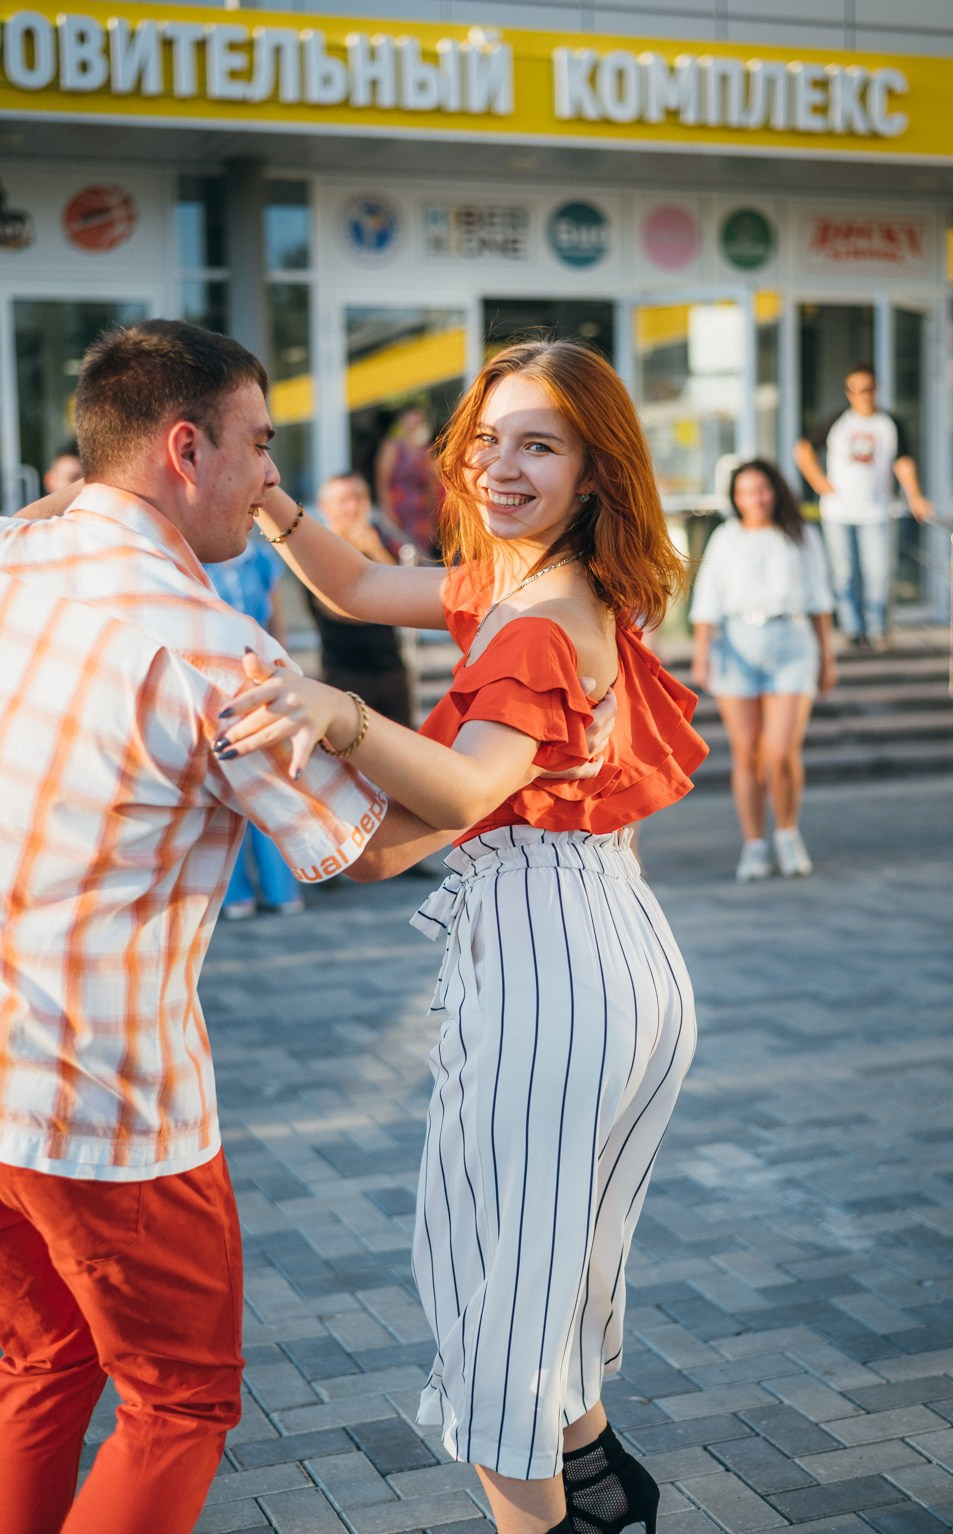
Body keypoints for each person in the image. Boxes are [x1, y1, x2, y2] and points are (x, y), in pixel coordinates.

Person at [213, 338, 709, 1534]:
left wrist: (340, 716)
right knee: (539, 1273)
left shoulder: (539, 614)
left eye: (538, 443)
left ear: (596, 469)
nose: (498, 465)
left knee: (492, 1297)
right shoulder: (534, 578)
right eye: (486, 438)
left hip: (556, 966)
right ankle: (599, 1490)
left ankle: (557, 1514)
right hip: (598, 944)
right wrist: (263, 490)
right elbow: (353, 584)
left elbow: (466, 788)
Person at [0, 318, 417, 1534]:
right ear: (187, 447)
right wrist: (530, 763)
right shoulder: (209, 646)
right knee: (179, 1399)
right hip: (109, 1100)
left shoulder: (16, 551)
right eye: (262, 445)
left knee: (40, 1366)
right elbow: (370, 842)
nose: (273, 475)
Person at [690, 459, 836, 882]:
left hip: (792, 644)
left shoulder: (803, 535)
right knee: (747, 754)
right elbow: (708, 598)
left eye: (762, 489)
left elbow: (819, 600)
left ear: (775, 490)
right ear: (734, 497)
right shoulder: (725, 537)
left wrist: (827, 657)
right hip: (736, 645)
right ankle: (755, 844)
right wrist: (702, 654)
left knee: (779, 751)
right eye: (744, 491)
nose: (754, 498)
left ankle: (787, 833)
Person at [793, 362, 933, 650]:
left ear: (876, 389)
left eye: (866, 389)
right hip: (838, 512)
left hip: (877, 510)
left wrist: (915, 496)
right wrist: (819, 482)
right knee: (844, 574)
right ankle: (853, 630)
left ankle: (877, 629)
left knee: (878, 573)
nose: (861, 395)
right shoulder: (837, 421)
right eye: (854, 390)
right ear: (847, 392)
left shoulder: (889, 424)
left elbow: (903, 462)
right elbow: (803, 448)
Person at [204, 534, 306, 919]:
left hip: (261, 680)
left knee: (273, 784)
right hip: (215, 685)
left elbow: (275, 618)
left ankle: (282, 887)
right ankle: (234, 893)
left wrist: (287, 673)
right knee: (227, 784)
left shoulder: (261, 559)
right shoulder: (199, 556)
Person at [309, 471, 414, 727]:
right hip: (345, 674)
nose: (353, 507)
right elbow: (336, 609)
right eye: (344, 500)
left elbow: (405, 596)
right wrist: (384, 606)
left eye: (360, 498)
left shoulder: (380, 544)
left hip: (391, 670)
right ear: (325, 508)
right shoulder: (315, 550)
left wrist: (376, 552)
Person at [374, 402, 443, 558]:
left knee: (421, 556)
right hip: (399, 511)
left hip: (421, 514)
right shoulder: (392, 446)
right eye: (411, 423)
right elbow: (383, 481)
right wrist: (390, 512)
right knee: (398, 553)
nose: (414, 427)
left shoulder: (426, 450)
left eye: (418, 423)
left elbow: (432, 485)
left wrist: (434, 521)